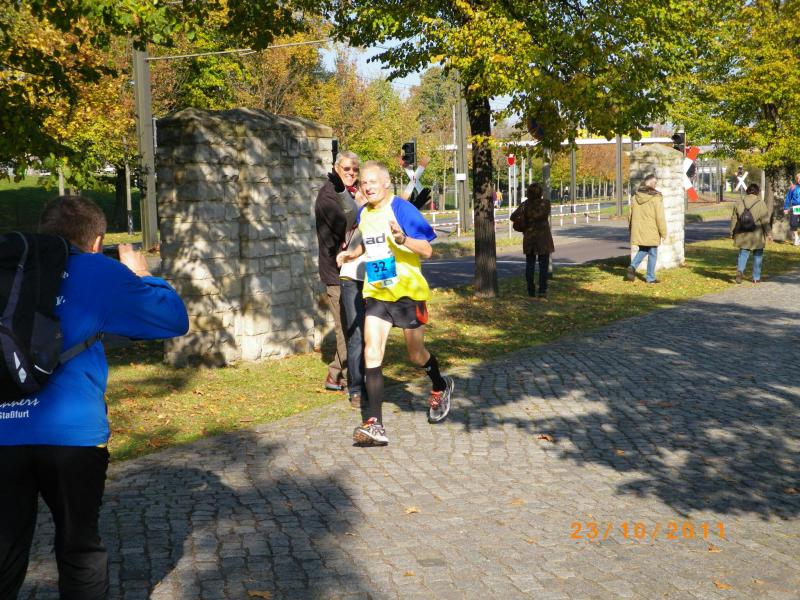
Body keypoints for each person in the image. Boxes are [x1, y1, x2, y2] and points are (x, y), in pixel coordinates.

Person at [0, 195, 188, 600]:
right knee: (78, 546)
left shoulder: (10, 269)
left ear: (42, 230)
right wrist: (142, 274)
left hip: (3, 430)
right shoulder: (98, 270)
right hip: (72, 435)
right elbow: (173, 319)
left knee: (4, 550)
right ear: (97, 240)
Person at [337, 161, 454, 446]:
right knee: (371, 352)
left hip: (407, 293)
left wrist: (403, 239)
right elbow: (370, 242)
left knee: (416, 355)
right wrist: (352, 254)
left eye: (372, 181)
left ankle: (440, 385)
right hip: (377, 292)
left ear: (386, 182)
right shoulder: (364, 212)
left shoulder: (402, 209)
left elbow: (427, 250)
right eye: (363, 182)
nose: (367, 187)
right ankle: (374, 424)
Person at [314, 151, 360, 395]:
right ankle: (352, 379)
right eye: (347, 169)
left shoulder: (352, 192)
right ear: (336, 168)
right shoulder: (328, 195)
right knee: (346, 327)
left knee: (353, 324)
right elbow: (346, 225)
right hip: (336, 271)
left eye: (355, 169)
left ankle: (335, 374)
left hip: (354, 269)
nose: (351, 173)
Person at [511, 182, 554, 299]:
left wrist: (524, 220)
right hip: (543, 239)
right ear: (540, 193)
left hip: (529, 238)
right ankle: (542, 291)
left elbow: (512, 217)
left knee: (530, 265)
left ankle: (531, 291)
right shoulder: (546, 203)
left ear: (528, 193)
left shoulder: (525, 205)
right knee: (543, 266)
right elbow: (542, 216)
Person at [625, 173, 667, 284]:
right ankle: (650, 278)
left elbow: (629, 215)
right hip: (652, 230)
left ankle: (632, 266)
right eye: (655, 183)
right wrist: (663, 232)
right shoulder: (656, 198)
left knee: (643, 249)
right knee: (652, 252)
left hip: (639, 230)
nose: (656, 185)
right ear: (652, 183)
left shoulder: (635, 197)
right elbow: (660, 217)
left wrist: (631, 228)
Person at [731, 183, 771, 283]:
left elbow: (734, 219)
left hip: (742, 232)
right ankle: (756, 278)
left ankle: (740, 271)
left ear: (747, 191)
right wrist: (769, 233)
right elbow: (765, 220)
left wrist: (732, 232)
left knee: (743, 253)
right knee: (758, 255)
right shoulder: (760, 203)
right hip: (757, 234)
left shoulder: (739, 202)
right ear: (757, 192)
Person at [783, 172, 800, 246]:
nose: (799, 180)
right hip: (796, 207)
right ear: (796, 179)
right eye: (798, 178)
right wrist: (786, 208)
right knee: (793, 223)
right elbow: (788, 198)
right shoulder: (793, 188)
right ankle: (796, 237)